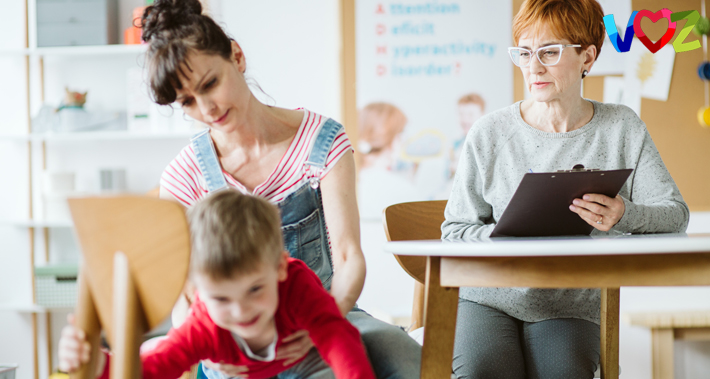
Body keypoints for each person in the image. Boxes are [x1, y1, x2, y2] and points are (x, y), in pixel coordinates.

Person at [144, 0, 421, 377]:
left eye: (210, 84)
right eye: (187, 102)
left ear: (236, 57)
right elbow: (185, 296)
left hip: (323, 311)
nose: (205, 108)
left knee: (405, 360)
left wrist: (323, 323)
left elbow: (347, 255)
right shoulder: (183, 175)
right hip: (235, 340)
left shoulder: (320, 142)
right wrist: (212, 358)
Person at [441, 0, 690, 378]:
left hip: (570, 302)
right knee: (483, 370)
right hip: (486, 296)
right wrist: (507, 234)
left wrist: (624, 213)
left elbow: (676, 214)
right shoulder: (488, 133)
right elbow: (454, 232)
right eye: (524, 53)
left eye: (550, 52)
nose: (533, 66)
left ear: (587, 56)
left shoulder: (621, 127)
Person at [58, 191, 377, 379]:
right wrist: (98, 362)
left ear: (280, 268)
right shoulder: (205, 324)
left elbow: (339, 340)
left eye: (255, 289)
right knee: (161, 348)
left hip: (304, 361)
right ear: (197, 293)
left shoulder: (297, 286)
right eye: (221, 298)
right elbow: (153, 370)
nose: (241, 310)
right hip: (232, 372)